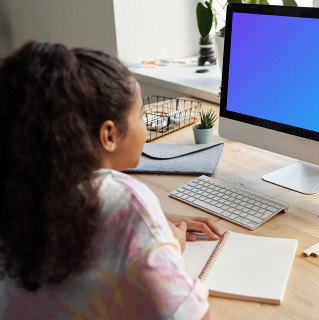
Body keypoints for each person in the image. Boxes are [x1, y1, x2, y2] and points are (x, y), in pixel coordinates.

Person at [0, 41, 223, 319]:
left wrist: (156, 221)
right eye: (141, 115)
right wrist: (171, 247)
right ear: (108, 135)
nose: (144, 124)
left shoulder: (21, 186)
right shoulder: (126, 201)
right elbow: (192, 316)